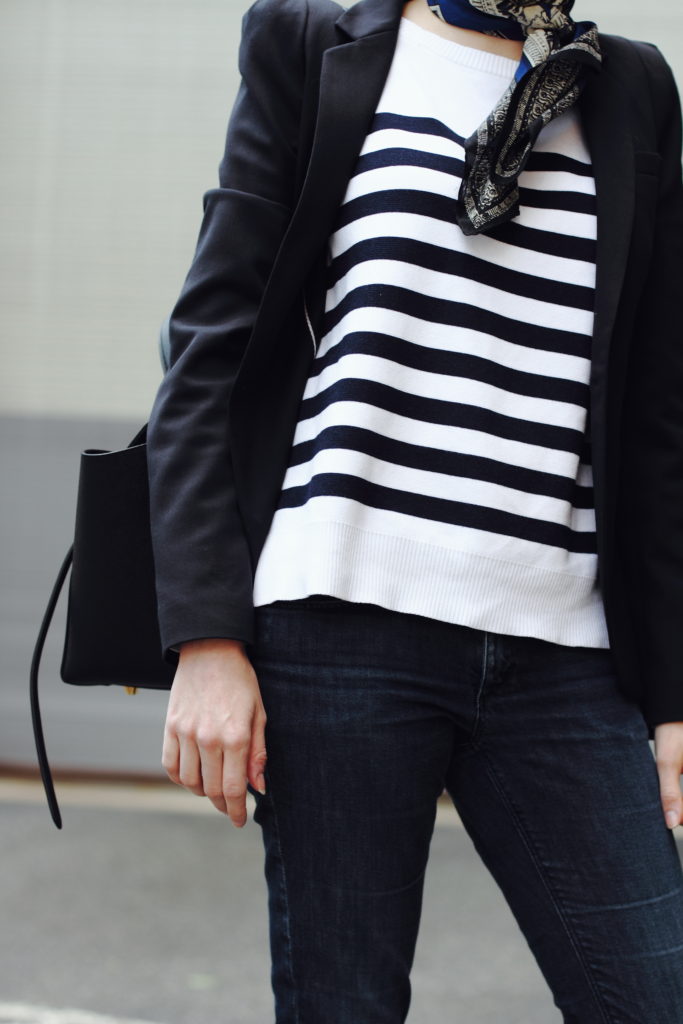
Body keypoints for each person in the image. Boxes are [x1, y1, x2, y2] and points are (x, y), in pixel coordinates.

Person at [146, 0, 683, 1019]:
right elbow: (210, 347)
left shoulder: (630, 91)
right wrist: (206, 638)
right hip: (339, 634)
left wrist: (670, 693)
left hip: (563, 652)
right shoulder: (319, 46)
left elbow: (655, 416)